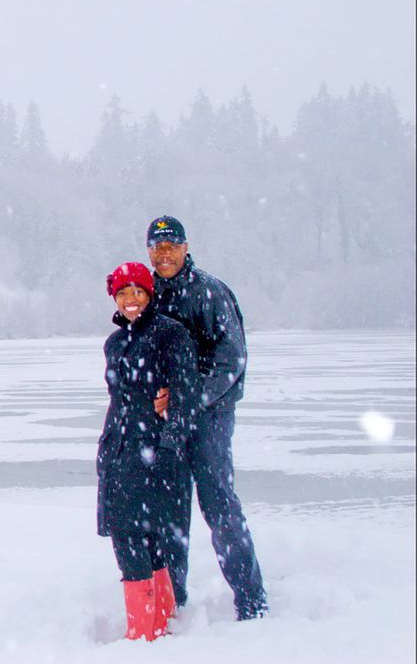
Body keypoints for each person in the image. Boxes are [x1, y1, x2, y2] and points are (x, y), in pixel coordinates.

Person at [145, 215, 269, 620]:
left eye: (171, 246)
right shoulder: (148, 297)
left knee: (219, 506)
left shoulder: (210, 293)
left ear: (185, 247)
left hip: (210, 417)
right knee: (169, 512)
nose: (164, 255)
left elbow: (231, 360)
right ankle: (173, 601)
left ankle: (251, 600)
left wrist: (186, 399)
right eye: (157, 247)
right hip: (166, 423)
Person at [97, 261, 198, 641]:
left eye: (138, 291)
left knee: (142, 539)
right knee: (134, 536)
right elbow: (116, 400)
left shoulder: (170, 335)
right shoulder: (115, 343)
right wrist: (107, 451)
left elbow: (185, 395)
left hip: (156, 451)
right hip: (120, 449)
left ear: (149, 294)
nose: (130, 300)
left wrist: (170, 446)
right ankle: (158, 626)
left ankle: (145, 633)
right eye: (123, 293)